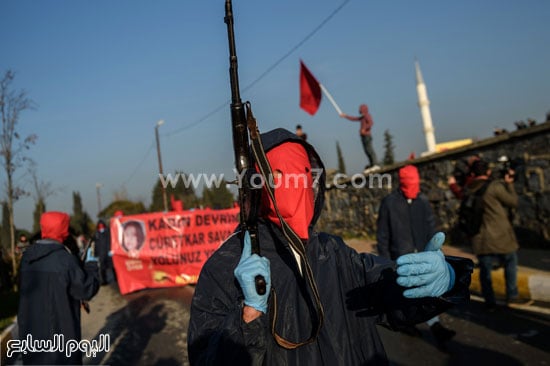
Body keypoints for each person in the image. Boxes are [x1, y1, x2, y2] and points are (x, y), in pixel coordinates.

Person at [188, 128, 472, 365]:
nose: (300, 189)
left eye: (304, 175)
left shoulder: (332, 252)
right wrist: (248, 317)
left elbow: (384, 289)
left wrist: (447, 278)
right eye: (283, 176)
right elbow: (206, 357)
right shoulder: (227, 266)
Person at [377, 165, 456, 347]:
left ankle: (434, 326)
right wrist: (385, 261)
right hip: (400, 257)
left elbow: (430, 228)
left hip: (423, 254)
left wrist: (436, 252)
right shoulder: (389, 203)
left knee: (425, 290)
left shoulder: (422, 201)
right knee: (408, 294)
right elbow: (383, 235)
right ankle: (414, 323)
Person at [17, 211, 100, 365]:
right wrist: (91, 265)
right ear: (64, 231)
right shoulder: (66, 261)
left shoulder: (26, 259)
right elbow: (86, 290)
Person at [465, 159, 525, 310]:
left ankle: (489, 301)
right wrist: (509, 184)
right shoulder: (494, 187)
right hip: (499, 235)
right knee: (510, 260)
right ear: (488, 172)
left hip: (479, 237)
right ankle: (512, 295)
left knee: (485, 270)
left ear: (473, 173)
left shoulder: (469, 189)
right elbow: (513, 202)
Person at [340, 104, 379, 170]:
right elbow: (354, 118)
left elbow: (371, 123)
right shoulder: (362, 117)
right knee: (366, 151)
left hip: (367, 136)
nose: (360, 111)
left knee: (370, 150)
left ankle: (376, 164)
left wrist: (364, 129)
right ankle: (372, 165)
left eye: (361, 109)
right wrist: (345, 116)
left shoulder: (367, 115)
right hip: (363, 136)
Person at [94, 220, 115, 285]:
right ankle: (104, 280)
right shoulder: (97, 234)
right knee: (102, 268)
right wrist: (96, 254)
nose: (101, 227)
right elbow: (96, 244)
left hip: (108, 252)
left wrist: (111, 249)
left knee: (112, 266)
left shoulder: (108, 232)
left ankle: (115, 278)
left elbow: (110, 241)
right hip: (101, 253)